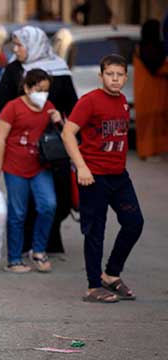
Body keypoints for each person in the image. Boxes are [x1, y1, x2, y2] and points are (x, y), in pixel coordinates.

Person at [0, 25, 77, 255]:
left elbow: (74, 107)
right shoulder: (14, 69)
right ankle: (24, 246)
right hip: (20, 143)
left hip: (53, 144)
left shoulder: (59, 68)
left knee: (58, 198)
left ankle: (49, 241)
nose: (16, 49)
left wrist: (78, 138)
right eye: (16, 45)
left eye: (20, 45)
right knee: (24, 201)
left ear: (34, 45)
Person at [62, 54, 144, 303]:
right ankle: (93, 286)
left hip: (119, 177)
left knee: (134, 223)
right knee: (95, 231)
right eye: (110, 74)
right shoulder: (89, 101)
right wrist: (81, 168)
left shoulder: (122, 101)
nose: (115, 79)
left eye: (120, 75)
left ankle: (111, 274)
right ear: (101, 76)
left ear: (126, 77)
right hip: (93, 176)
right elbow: (68, 133)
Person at [0, 69, 60, 273]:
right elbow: (0, 139)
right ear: (27, 88)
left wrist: (58, 120)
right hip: (15, 167)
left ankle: (38, 250)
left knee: (48, 205)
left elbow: (63, 135)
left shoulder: (49, 108)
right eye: (39, 89)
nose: (43, 94)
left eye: (46, 90)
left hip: (40, 165)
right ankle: (14, 258)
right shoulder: (12, 108)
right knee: (17, 213)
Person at [133, 19, 168, 159]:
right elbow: (155, 67)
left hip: (144, 94)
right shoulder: (150, 48)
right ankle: (151, 151)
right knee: (154, 123)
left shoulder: (140, 47)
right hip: (153, 93)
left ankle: (147, 151)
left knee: (148, 124)